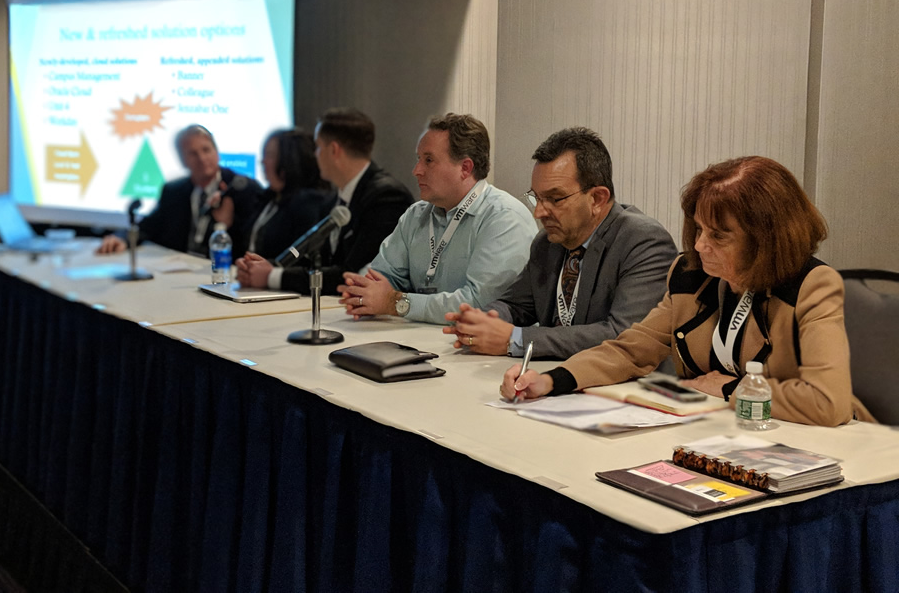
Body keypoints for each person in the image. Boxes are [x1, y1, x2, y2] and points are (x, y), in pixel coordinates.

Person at [501, 156, 874, 427]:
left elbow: (828, 403)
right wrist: (553, 380)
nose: (699, 245)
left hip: (812, 447)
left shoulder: (811, 286)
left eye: (718, 235)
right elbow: (630, 351)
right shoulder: (690, 276)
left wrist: (731, 388)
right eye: (698, 230)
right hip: (717, 434)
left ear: (765, 240)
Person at [443, 127, 677, 358]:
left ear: (597, 198)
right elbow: (516, 305)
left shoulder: (643, 242)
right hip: (547, 374)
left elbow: (624, 335)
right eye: (536, 198)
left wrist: (516, 339)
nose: (539, 212)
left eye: (555, 199)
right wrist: (482, 321)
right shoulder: (547, 242)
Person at [338, 113, 537, 324]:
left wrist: (396, 303)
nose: (416, 170)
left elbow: (480, 305)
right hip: (419, 337)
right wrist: (364, 291)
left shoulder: (504, 217)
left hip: (477, 342)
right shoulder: (416, 215)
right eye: (418, 159)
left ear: (465, 168)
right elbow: (383, 275)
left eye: (429, 160)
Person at [236, 107, 413, 294]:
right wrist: (267, 267)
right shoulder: (334, 200)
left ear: (334, 150)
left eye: (318, 147)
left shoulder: (386, 198)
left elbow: (354, 274)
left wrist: (273, 276)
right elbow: (315, 260)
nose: (315, 155)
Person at [96, 124, 263, 259]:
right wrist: (122, 238)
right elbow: (148, 227)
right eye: (193, 154)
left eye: (206, 150)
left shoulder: (242, 189)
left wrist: (227, 225)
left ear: (217, 152)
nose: (202, 158)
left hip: (223, 274)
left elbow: (253, 243)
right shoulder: (173, 191)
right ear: (182, 160)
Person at [240, 128, 332, 260]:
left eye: (269, 155)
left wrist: (272, 268)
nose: (263, 161)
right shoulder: (268, 198)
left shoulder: (307, 203)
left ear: (288, 161)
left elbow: (299, 253)